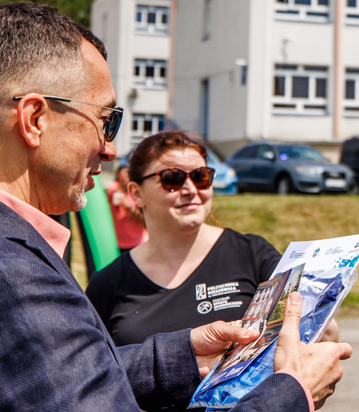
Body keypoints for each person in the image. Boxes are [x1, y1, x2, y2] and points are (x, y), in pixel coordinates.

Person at [0, 2, 353, 412]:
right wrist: (291, 394)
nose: (110, 147)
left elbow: (38, 378)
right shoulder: (7, 277)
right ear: (34, 119)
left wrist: (183, 357)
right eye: (106, 120)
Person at [87, 130, 284, 346]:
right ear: (137, 194)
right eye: (172, 178)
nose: (190, 189)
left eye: (201, 176)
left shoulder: (253, 256)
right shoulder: (107, 285)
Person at [107, 163, 148, 254]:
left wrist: (128, 206)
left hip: (136, 244)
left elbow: (145, 222)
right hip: (118, 244)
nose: (121, 184)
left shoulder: (139, 196)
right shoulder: (115, 191)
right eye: (119, 180)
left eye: (124, 181)